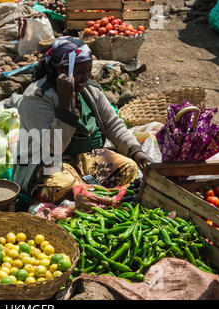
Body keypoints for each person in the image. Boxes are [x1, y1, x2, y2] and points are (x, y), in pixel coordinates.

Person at [12, 36, 152, 206]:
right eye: (79, 72)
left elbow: (113, 125)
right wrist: (65, 108)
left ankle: (87, 193)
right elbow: (51, 149)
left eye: (89, 71)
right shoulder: (36, 98)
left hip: (86, 159)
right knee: (62, 187)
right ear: (60, 69)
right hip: (45, 163)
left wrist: (137, 152)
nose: (86, 78)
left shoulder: (89, 90)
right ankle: (87, 194)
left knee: (129, 168)